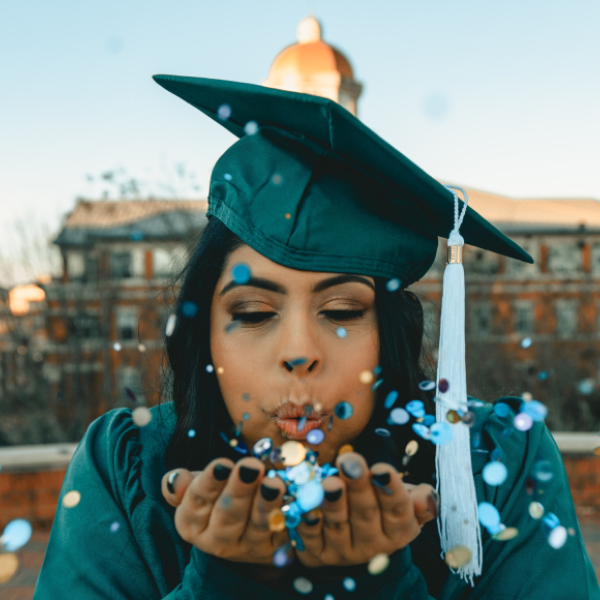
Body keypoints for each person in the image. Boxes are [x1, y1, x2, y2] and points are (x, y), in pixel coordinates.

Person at [33, 77, 600, 599]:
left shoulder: (490, 463)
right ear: (205, 333)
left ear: (391, 333)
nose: (299, 352)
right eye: (253, 313)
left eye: (343, 310)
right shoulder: (129, 466)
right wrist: (224, 583)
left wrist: (382, 584)